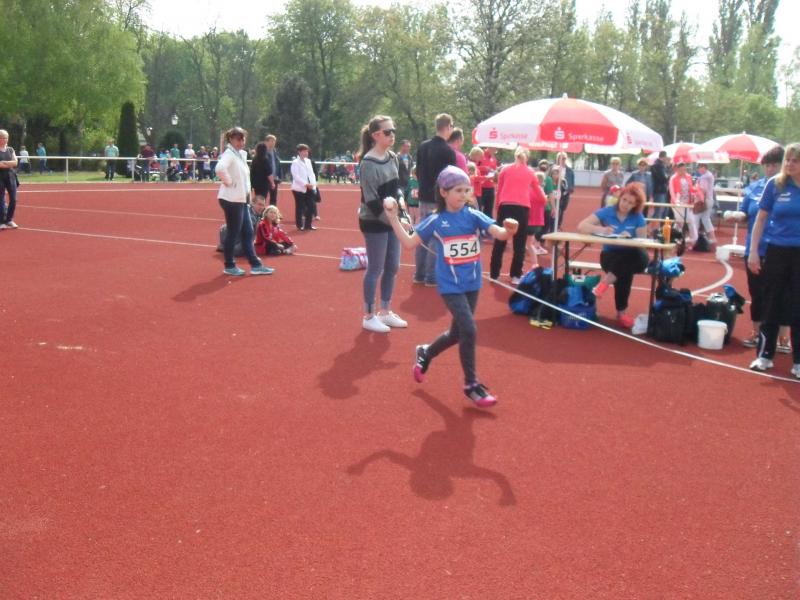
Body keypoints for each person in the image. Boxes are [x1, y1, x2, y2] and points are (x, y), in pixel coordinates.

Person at [384, 166, 519, 407]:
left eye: (467, 190)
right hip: (450, 286)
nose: (464, 195)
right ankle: (471, 385)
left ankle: (426, 352)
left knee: (458, 333)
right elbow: (408, 243)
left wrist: (510, 230)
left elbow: (499, 234)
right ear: (444, 192)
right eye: (458, 190)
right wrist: (393, 218)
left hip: (472, 284)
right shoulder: (436, 220)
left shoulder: (474, 216)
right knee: (470, 329)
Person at [725, 145, 791, 351]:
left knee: (783, 293)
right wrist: (737, 216)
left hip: (781, 248)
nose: (770, 169)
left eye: (774, 165)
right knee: (757, 293)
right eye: (767, 165)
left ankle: (783, 337)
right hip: (755, 248)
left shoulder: (791, 187)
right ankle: (757, 332)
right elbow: (746, 213)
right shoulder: (754, 188)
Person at [747, 143, 800, 378]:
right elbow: (760, 219)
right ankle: (765, 355)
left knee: (798, 305)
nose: (789, 164)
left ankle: (798, 362)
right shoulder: (775, 185)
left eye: (795, 160)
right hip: (777, 250)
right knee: (771, 302)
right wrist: (753, 251)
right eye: (787, 160)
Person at [357, 115, 407, 333]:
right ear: (376, 135)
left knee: (393, 266)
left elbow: (397, 187)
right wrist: (395, 221)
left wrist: (401, 203)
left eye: (393, 131)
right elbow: (371, 200)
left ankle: (385, 311)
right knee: (375, 268)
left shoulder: (393, 157)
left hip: (392, 218)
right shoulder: (368, 163)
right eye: (388, 132)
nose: (392, 135)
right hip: (373, 220)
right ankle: (368, 316)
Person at [577, 182, 648, 329]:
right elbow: (582, 226)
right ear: (619, 197)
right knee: (625, 271)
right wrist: (602, 230)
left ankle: (605, 283)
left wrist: (630, 238)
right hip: (610, 255)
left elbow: (643, 243)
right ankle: (621, 314)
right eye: (624, 200)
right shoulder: (607, 211)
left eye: (630, 203)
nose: (626, 204)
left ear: (636, 205)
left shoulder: (638, 217)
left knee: (635, 257)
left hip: (632, 254)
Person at [215, 127, 274, 277]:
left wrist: (247, 193)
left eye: (243, 139)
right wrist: (230, 183)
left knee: (248, 232)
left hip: (241, 200)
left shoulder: (240, 154)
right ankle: (229, 265)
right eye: (238, 139)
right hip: (231, 200)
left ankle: (255, 265)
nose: (241, 142)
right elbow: (220, 169)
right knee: (233, 233)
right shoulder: (229, 154)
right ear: (231, 139)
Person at [414, 113, 457, 286]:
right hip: (438, 199)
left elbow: (418, 171)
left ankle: (419, 274)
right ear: (447, 127)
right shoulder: (448, 151)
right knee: (436, 237)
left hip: (424, 196)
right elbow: (451, 179)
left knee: (422, 235)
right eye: (452, 126)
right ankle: (431, 276)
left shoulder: (423, 146)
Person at [490, 146, 540, 284]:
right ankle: (516, 275)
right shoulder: (530, 172)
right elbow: (538, 191)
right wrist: (544, 200)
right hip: (522, 208)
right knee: (520, 242)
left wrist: (497, 206)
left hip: (505, 206)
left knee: (500, 241)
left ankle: (494, 274)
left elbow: (499, 190)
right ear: (527, 157)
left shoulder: (505, 169)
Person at [668, 161, 699, 248]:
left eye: (684, 169)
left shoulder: (688, 177)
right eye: (681, 169)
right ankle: (676, 238)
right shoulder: (673, 178)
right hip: (677, 203)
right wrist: (676, 202)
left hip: (687, 203)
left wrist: (695, 195)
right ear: (677, 169)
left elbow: (692, 189)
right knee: (679, 222)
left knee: (690, 220)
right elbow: (672, 191)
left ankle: (693, 239)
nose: (683, 171)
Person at [290, 144, 318, 231]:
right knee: (300, 207)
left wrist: (313, 184)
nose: (306, 153)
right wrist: (305, 184)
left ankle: (308, 225)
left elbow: (311, 174)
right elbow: (296, 176)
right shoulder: (295, 162)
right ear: (299, 152)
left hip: (309, 188)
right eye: (304, 151)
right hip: (299, 189)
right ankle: (299, 225)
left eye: (307, 151)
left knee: (311, 206)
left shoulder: (308, 161)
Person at [0, 129, 19, 230]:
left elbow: (15, 162)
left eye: (6, 138)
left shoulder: (11, 149)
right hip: (0, 177)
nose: (5, 140)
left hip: (11, 177)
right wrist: (9, 163)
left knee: (14, 199)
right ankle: (1, 221)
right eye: (3, 138)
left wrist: (4, 163)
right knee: (1, 199)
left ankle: (9, 219)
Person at [694, 163, 717, 246]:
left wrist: (695, 189)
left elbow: (703, 189)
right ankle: (713, 238)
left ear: (704, 167)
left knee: (696, 219)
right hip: (709, 199)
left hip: (703, 200)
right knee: (705, 219)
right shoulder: (709, 175)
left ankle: (694, 238)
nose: (698, 169)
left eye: (699, 167)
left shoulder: (705, 177)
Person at [476, 146, 498, 219]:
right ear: (489, 147)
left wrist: (496, 172)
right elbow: (473, 167)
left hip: (491, 186)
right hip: (481, 187)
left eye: (495, 149)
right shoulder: (480, 156)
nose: (495, 151)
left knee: (489, 209)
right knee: (479, 208)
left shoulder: (494, 159)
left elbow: (494, 171)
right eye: (494, 148)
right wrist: (484, 168)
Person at [250, 142, 274, 206]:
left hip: (255, 183)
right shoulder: (266, 160)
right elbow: (269, 173)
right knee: (263, 199)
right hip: (264, 184)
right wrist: (272, 183)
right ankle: (261, 210)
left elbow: (252, 171)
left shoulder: (254, 160)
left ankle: (256, 209)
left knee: (257, 198)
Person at [554, 151, 575, 226]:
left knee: (562, 209)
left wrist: (571, 188)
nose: (563, 160)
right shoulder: (553, 168)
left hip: (565, 193)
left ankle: (558, 225)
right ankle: (554, 225)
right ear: (558, 159)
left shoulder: (569, 170)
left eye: (564, 158)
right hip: (555, 192)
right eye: (561, 158)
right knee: (556, 208)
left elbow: (572, 181)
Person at [650, 150, 670, 221]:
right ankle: (654, 225)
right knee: (659, 210)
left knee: (663, 210)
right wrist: (668, 168)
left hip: (662, 190)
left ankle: (659, 225)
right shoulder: (658, 165)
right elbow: (663, 178)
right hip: (659, 191)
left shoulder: (661, 165)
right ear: (664, 157)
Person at [264, 135, 283, 206]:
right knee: (263, 198)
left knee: (273, 199)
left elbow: (278, 164)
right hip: (265, 179)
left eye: (274, 141)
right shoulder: (263, 152)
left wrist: (279, 176)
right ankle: (261, 212)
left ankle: (273, 212)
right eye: (271, 141)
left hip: (275, 179)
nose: (273, 143)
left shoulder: (275, 152)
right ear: (266, 142)